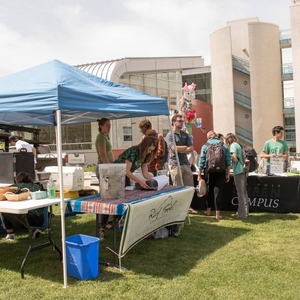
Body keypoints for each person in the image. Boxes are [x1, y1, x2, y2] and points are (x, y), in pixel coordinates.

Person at [165, 114, 196, 214]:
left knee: (190, 187)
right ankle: (177, 207)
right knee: (177, 187)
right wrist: (184, 148)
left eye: (182, 121)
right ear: (174, 122)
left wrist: (180, 149)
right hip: (174, 164)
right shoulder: (170, 135)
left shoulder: (185, 135)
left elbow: (191, 148)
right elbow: (173, 148)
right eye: (180, 121)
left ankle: (188, 206)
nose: (182, 123)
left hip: (185, 164)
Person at [198, 130, 231, 220]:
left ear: (208, 137)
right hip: (221, 171)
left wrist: (199, 174)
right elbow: (228, 160)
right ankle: (217, 214)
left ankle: (208, 211)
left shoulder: (205, 145)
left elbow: (201, 160)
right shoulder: (223, 145)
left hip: (209, 171)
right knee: (218, 192)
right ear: (216, 136)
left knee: (209, 190)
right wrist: (228, 173)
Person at [2, 172, 44, 241]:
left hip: (27, 219)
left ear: (17, 179)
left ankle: (11, 235)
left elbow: (5, 192)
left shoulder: (14, 187)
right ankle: (33, 230)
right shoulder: (36, 186)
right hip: (41, 219)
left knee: (4, 211)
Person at [95, 118, 114, 241]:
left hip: (106, 167)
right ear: (101, 126)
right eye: (107, 125)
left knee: (110, 196)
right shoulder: (101, 137)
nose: (109, 127)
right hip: (104, 168)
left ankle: (105, 223)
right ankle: (101, 228)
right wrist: (111, 168)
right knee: (106, 197)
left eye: (110, 125)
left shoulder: (104, 137)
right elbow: (103, 154)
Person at [225, 133, 249, 218]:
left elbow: (234, 157)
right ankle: (245, 212)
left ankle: (242, 214)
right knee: (244, 192)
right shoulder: (239, 145)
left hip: (238, 171)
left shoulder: (233, 146)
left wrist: (227, 157)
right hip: (243, 170)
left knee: (240, 193)